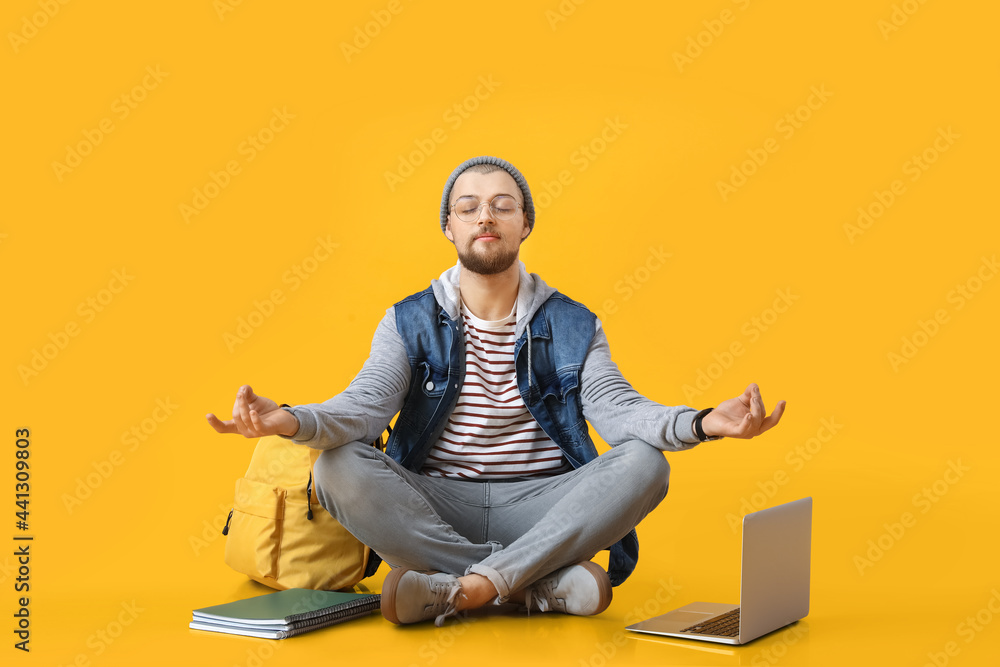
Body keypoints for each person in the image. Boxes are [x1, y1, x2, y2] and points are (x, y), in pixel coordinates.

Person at [207, 155, 786, 627]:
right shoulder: (407, 321)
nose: (486, 216)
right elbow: (362, 408)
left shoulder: (574, 324)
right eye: (469, 207)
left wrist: (705, 422)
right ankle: (533, 587)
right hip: (434, 505)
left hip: (544, 507)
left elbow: (619, 409)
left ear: (524, 224)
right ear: (449, 227)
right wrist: (285, 419)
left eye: (502, 206)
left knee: (645, 463)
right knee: (338, 466)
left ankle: (462, 588)